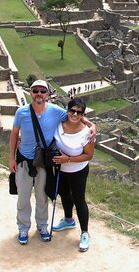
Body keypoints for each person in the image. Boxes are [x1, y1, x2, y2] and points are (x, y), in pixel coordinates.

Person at [9, 80, 95, 245]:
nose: (39, 94)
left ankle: (42, 226)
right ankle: (23, 228)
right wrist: (11, 158)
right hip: (24, 161)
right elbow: (14, 135)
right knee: (23, 198)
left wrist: (92, 126)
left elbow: (75, 116)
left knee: (42, 197)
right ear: (30, 92)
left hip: (43, 163)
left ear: (47, 94)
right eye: (36, 91)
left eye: (42, 91)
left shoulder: (56, 111)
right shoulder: (21, 112)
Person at [51, 97, 94, 252]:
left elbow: (88, 155)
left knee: (79, 199)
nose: (75, 114)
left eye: (79, 112)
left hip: (78, 171)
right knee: (64, 195)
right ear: (67, 111)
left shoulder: (86, 133)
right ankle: (68, 220)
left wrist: (67, 159)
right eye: (72, 110)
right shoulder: (58, 125)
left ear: (83, 114)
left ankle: (84, 233)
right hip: (61, 170)